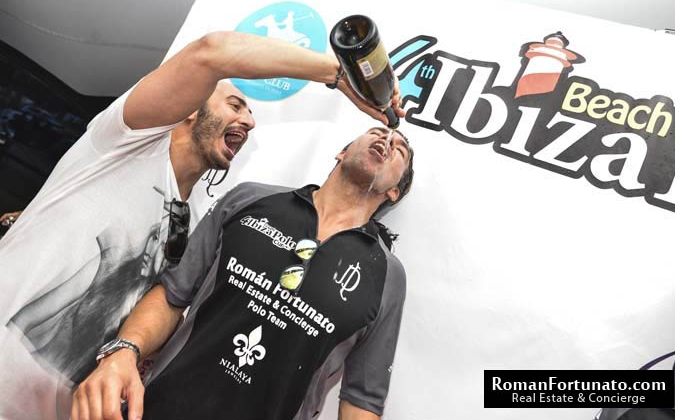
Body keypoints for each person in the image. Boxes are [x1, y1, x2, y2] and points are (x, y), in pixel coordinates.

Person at [0, 31, 405, 420]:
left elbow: (164, 304)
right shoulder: (124, 143)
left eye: (249, 112)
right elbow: (213, 51)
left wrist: (128, 355)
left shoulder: (193, 217)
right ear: (191, 106)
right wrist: (340, 74)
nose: (249, 122)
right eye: (235, 105)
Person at [72, 126, 414, 420]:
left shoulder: (387, 275)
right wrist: (124, 351)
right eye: (377, 132)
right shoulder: (250, 199)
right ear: (341, 153)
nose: (386, 140)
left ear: (394, 190)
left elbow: (361, 398)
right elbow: (173, 295)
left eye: (399, 149)